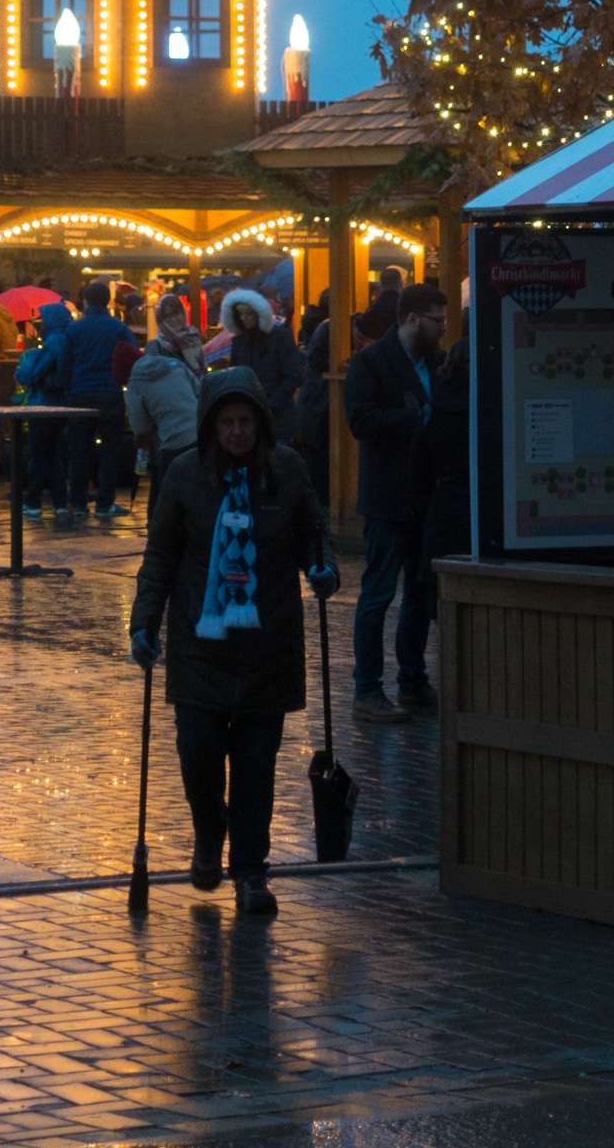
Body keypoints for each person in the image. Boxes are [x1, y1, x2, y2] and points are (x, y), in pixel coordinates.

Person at [128, 368, 337, 916]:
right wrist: (143, 622)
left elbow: (314, 539)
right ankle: (208, 830)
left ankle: (249, 871)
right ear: (210, 424)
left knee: (254, 765)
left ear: (261, 424)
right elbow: (162, 556)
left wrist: (323, 571)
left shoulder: (287, 471)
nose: (237, 432)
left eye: (246, 421)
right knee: (198, 752)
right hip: (202, 643)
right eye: (227, 422)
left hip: (269, 645)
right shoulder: (185, 475)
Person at [344, 280, 448, 722]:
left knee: (420, 596)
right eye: (436, 321)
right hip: (388, 497)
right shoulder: (370, 363)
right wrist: (415, 419)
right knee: (379, 594)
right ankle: (368, 689)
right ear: (412, 319)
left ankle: (412, 681)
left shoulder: (439, 363)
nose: (443, 329)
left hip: (427, 497)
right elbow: (360, 420)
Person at [126, 295, 202, 517]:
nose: (175, 319)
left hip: (185, 412)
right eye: (168, 315)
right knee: (165, 476)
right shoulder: (161, 344)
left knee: (176, 477)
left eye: (177, 313)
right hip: (165, 418)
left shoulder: (191, 339)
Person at [410, 337, 472, 607]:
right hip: (478, 508)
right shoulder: (493, 405)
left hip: (443, 508)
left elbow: (419, 470)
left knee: (442, 604)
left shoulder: (434, 409)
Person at [61, 279, 130, 520]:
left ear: (87, 301)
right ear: (108, 301)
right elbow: (132, 356)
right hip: (110, 393)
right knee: (111, 450)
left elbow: (65, 363)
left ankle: (79, 503)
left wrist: (70, 389)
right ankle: (104, 503)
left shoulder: (75, 328)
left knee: (79, 450)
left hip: (81, 393)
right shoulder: (118, 327)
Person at [220, 289, 303, 441]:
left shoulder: (280, 337)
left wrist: (271, 404)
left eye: (249, 314)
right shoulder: (239, 340)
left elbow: (293, 375)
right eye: (240, 314)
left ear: (259, 313)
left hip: (277, 416)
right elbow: (235, 375)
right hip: (248, 414)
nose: (244, 318)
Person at [19, 299, 73, 520]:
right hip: (64, 404)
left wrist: (23, 368)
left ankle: (33, 501)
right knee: (53, 454)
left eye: (42, 321)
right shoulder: (70, 338)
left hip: (43, 403)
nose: (40, 326)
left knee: (38, 454)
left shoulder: (53, 341)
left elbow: (32, 373)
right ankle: (60, 502)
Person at [292, 312, 330, 510]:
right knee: (318, 468)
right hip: (316, 423)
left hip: (311, 422)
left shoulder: (315, 361)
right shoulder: (324, 368)